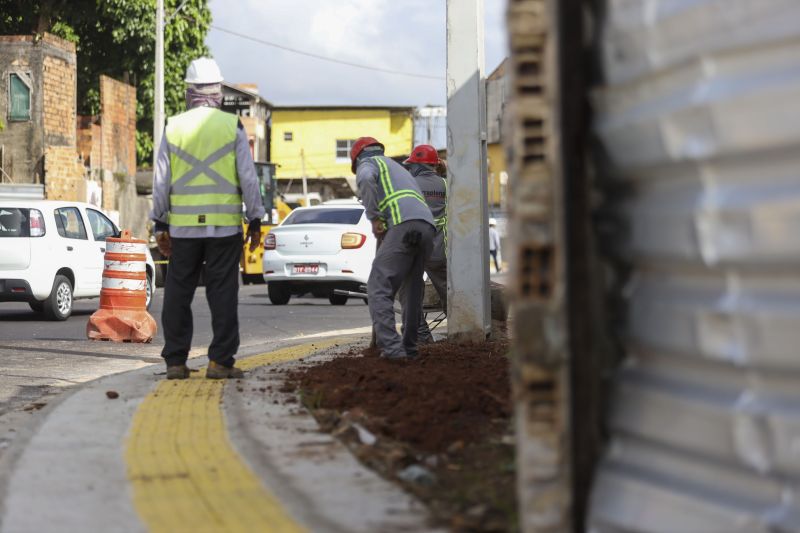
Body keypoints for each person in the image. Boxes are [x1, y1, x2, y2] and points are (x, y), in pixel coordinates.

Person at [150, 57, 265, 380]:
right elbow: (248, 177)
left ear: (189, 91)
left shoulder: (173, 127)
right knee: (223, 293)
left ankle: (175, 362)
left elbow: (161, 180)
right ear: (219, 92)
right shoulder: (233, 126)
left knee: (177, 293)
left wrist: (160, 223)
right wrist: (255, 218)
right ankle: (220, 362)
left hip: (183, 229)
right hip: (224, 228)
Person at [352, 136, 435, 359]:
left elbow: (367, 179)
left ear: (357, 157)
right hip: (426, 227)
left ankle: (390, 348)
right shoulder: (398, 168)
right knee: (411, 291)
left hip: (403, 224)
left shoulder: (369, 164)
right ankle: (409, 348)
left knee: (378, 287)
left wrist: (375, 218)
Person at [400, 144, 448, 343]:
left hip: (415, 248)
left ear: (416, 165)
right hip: (439, 249)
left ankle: (422, 336)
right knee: (450, 293)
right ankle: (463, 328)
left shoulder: (408, 183)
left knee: (410, 293)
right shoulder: (446, 184)